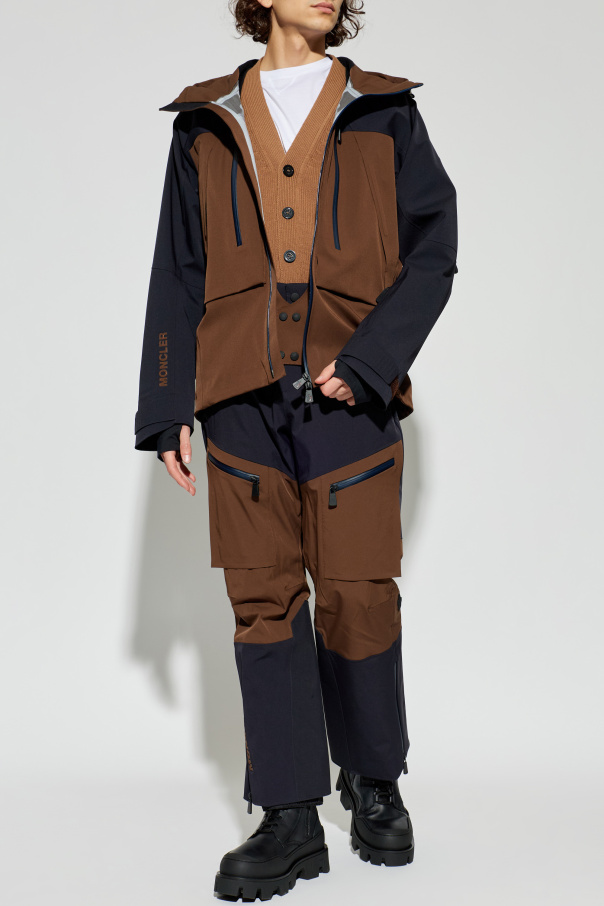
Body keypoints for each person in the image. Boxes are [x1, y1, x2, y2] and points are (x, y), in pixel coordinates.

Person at [134, 0, 458, 900]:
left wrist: (372, 361)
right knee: (262, 602)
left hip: (350, 391)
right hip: (238, 398)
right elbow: (177, 269)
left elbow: (434, 249)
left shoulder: (385, 111)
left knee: (359, 592)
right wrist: (166, 405)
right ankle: (287, 814)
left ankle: (375, 780)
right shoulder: (205, 121)